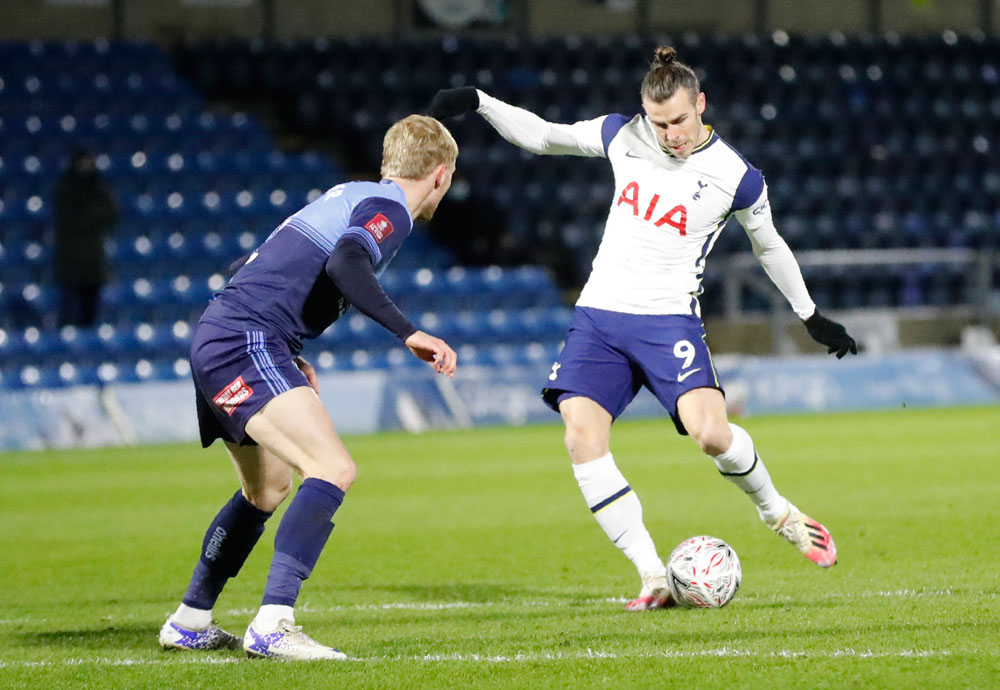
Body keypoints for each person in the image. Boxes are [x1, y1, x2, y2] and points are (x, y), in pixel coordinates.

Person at [428, 46, 857, 611]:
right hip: (600, 316)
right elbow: (542, 135)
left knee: (710, 434)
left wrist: (809, 314)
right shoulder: (622, 134)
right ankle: (653, 575)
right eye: (659, 123)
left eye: (679, 120)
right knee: (580, 435)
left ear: (700, 104)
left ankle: (778, 511)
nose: (670, 134)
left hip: (667, 319)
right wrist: (480, 102)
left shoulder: (737, 177)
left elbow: (769, 245)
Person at [158, 114, 460, 659]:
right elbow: (347, 262)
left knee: (266, 490)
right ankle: (274, 622)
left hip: (224, 335)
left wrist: (289, 353)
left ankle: (190, 619)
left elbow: (248, 265)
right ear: (441, 176)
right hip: (244, 342)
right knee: (332, 468)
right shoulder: (390, 209)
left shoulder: (348, 194)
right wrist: (408, 331)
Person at [53, 149, 119, 327]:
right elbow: (70, 218)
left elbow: (112, 213)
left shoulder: (99, 186)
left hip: (93, 260)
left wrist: (87, 215)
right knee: (69, 306)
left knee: (90, 308)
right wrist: (92, 216)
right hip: (70, 260)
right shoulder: (66, 187)